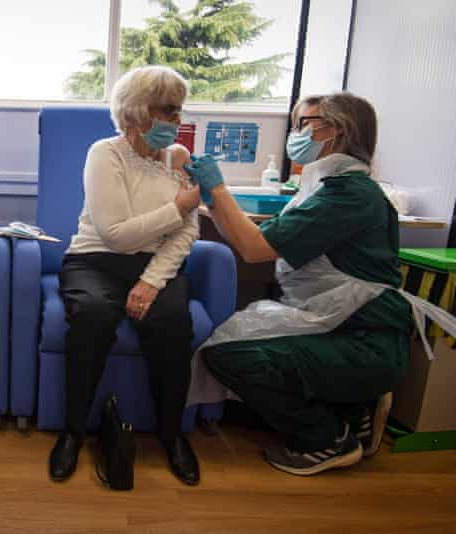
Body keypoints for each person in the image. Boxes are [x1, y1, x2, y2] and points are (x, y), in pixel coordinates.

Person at [185, 92, 412, 476]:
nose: (295, 134)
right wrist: (211, 200)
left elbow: (255, 248)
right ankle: (350, 412)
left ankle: (325, 440)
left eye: (303, 124)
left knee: (228, 355)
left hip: (363, 340)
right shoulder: (327, 187)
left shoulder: (348, 195)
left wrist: (219, 191)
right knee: (241, 374)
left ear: (337, 130)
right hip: (342, 327)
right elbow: (257, 238)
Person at [48, 66, 203, 487]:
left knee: (173, 323)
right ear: (136, 112)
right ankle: (73, 432)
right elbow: (114, 235)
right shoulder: (105, 152)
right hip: (94, 260)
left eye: (179, 110)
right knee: (94, 316)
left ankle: (172, 437)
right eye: (167, 111)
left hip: (155, 266)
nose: (177, 120)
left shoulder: (179, 159)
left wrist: (151, 281)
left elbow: (188, 231)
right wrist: (179, 207)